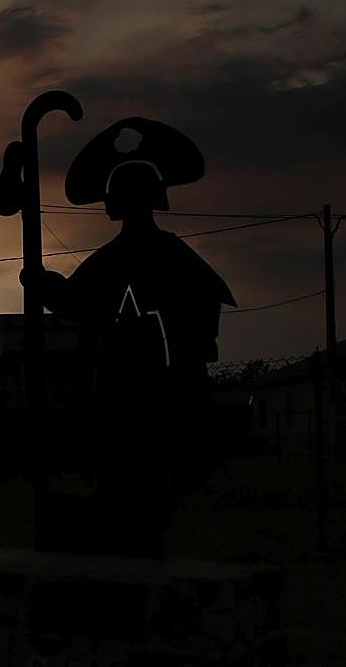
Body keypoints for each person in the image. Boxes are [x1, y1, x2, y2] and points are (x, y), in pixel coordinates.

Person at [26, 118, 236, 557]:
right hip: (125, 389)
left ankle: (132, 531)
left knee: (144, 478)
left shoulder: (145, 256)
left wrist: (47, 286)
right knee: (128, 480)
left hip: (152, 390)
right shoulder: (133, 257)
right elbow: (76, 300)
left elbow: (204, 307)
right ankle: (124, 531)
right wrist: (45, 284)